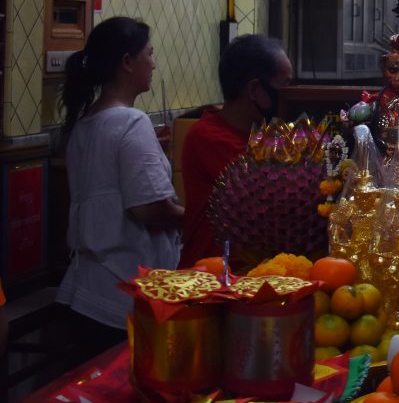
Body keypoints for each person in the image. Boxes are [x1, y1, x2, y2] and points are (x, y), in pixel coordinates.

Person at [56, 17, 182, 346]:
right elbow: (150, 211)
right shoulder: (130, 121)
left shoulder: (84, 124)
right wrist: (201, 215)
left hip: (85, 288)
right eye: (149, 54)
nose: (153, 64)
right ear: (127, 62)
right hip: (120, 294)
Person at [179, 34, 293, 267]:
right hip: (211, 281)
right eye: (285, 87)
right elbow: (276, 197)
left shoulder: (263, 135)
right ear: (254, 90)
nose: (291, 97)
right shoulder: (209, 137)